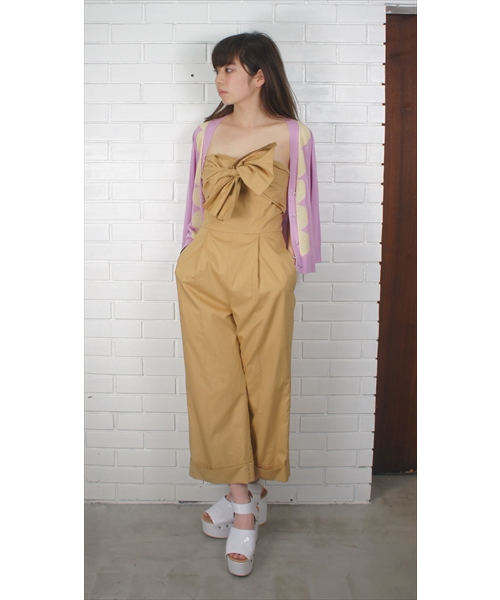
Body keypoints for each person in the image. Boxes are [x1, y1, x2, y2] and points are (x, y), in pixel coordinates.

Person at [175, 31, 321, 577]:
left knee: (263, 383)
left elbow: (301, 205)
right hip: (206, 265)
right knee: (215, 384)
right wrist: (188, 257)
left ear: (260, 76)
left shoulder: (293, 135)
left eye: (229, 69)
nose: (219, 79)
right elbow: (195, 204)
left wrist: (292, 267)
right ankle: (242, 507)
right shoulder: (206, 133)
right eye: (217, 70)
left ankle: (253, 487)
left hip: (263, 263)